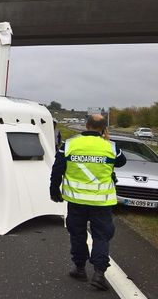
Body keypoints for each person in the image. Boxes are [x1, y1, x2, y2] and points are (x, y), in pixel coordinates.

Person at [50, 114, 126, 291]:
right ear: (103, 128)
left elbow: (57, 170)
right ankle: (99, 273)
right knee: (101, 236)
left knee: (77, 234)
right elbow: (121, 162)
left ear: (86, 125)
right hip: (102, 203)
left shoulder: (69, 145)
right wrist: (105, 140)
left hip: (76, 201)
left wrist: (54, 191)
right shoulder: (110, 147)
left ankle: (79, 268)